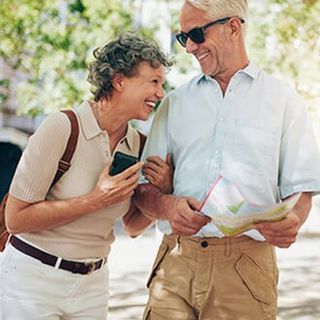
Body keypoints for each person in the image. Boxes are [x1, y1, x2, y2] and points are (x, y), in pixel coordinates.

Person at [135, 1, 320, 319]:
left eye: (196, 34)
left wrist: (294, 220)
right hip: (175, 263)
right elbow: (141, 191)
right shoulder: (174, 104)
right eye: (183, 38)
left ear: (233, 27)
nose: (190, 47)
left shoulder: (283, 101)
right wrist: (167, 207)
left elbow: (300, 189)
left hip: (245, 271)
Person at [0, 33, 173, 319]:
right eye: (153, 82)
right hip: (32, 280)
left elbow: (131, 225)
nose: (160, 93)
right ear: (119, 81)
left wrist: (162, 192)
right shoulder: (62, 127)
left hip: (92, 284)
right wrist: (94, 200)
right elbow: (15, 219)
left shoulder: (138, 144)